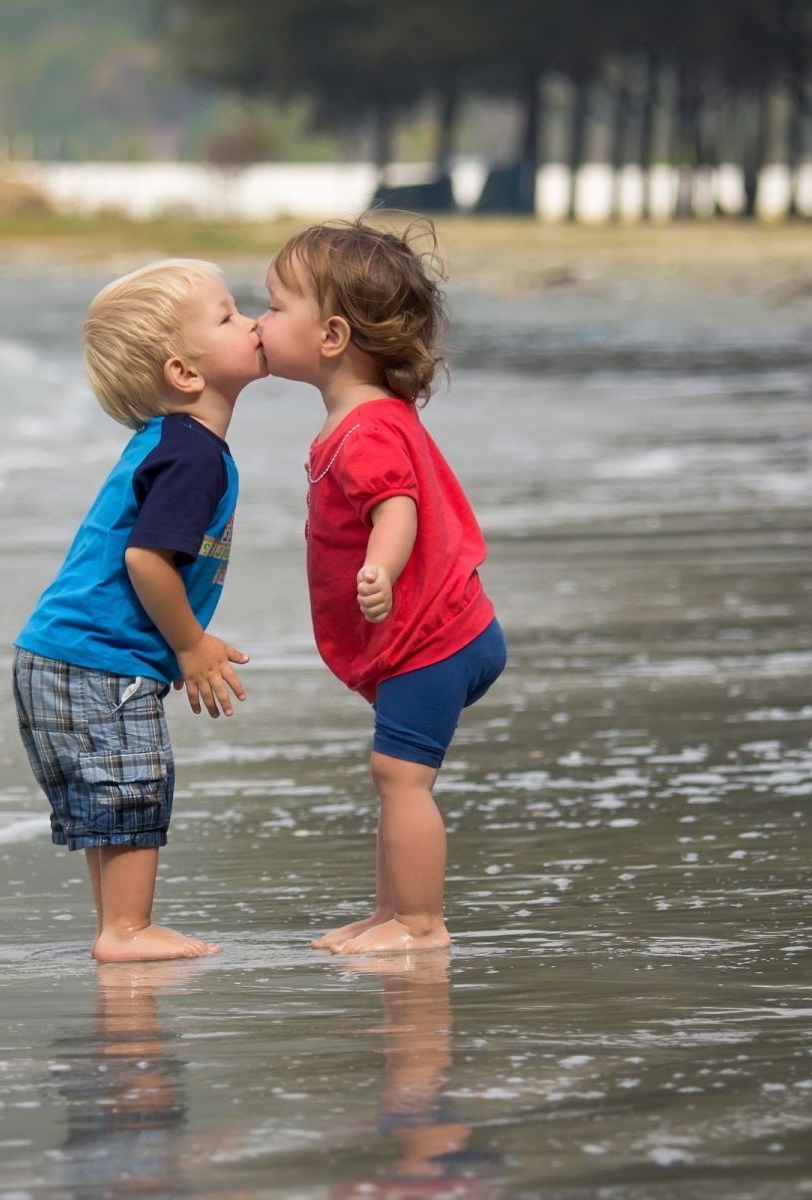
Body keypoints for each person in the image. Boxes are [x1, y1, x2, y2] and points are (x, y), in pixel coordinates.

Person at [257, 219, 507, 957]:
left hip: (433, 636)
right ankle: (388, 913)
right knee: (395, 777)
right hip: (443, 630)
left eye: (273, 307)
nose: (260, 322)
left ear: (332, 335)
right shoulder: (361, 417)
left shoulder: (365, 429)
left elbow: (396, 505)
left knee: (400, 777)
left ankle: (420, 924)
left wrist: (381, 568)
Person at [14, 258, 263, 962]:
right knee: (131, 782)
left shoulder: (175, 443)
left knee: (112, 792)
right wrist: (191, 646)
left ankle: (116, 926)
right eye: (227, 316)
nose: (249, 322)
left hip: (64, 654)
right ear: (185, 373)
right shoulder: (193, 453)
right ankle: (125, 931)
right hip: (96, 656)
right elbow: (146, 560)